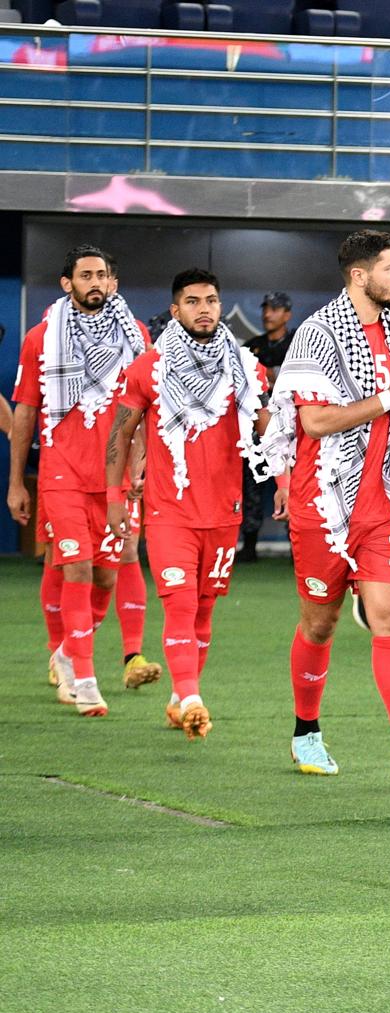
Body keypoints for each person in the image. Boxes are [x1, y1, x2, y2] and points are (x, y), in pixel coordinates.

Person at [255, 230, 390, 784]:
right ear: (359, 275)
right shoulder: (315, 335)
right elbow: (315, 422)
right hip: (321, 501)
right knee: (319, 625)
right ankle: (306, 732)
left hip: (385, 501)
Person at [104, 268, 275, 741]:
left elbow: (268, 429)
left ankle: (181, 698)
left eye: (212, 300)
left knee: (203, 612)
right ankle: (193, 695)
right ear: (175, 310)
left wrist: (284, 480)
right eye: (193, 301)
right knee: (179, 606)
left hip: (224, 512)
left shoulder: (246, 366)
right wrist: (116, 496)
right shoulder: (149, 368)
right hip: (168, 511)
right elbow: (122, 432)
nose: (204, 309)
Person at [6, 245, 152, 716]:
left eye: (102, 275)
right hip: (62, 474)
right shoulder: (41, 338)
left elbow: (147, 408)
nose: (95, 282)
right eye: (85, 275)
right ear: (66, 283)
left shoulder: (138, 337)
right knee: (76, 567)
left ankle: (66, 652)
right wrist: (16, 480)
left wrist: (140, 463)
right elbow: (25, 410)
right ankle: (85, 679)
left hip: (114, 478)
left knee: (108, 577)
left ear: (113, 283)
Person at [238, 291, 294, 562]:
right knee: (252, 481)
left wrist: (277, 376)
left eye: (275, 309)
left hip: (293, 424)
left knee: (295, 481)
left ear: (287, 314)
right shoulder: (252, 346)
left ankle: (297, 542)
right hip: (257, 424)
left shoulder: (297, 343)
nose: (268, 314)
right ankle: (249, 544)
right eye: (266, 308)